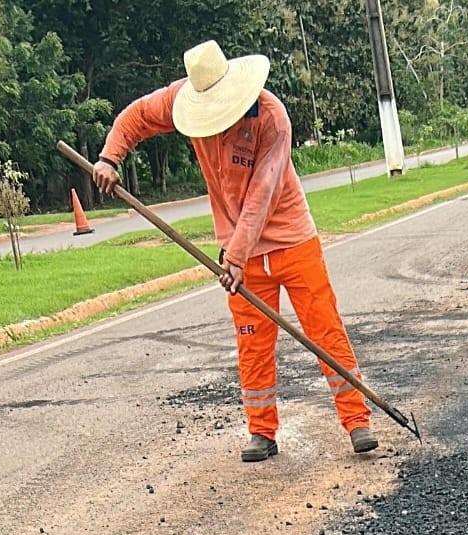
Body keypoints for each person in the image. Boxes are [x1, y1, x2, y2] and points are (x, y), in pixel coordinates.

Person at [93, 40, 376, 463]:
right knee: (252, 341)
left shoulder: (273, 118)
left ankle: (357, 421)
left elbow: (262, 195)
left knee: (325, 330)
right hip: (238, 252)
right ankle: (262, 431)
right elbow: (135, 116)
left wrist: (237, 256)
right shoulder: (181, 98)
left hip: (291, 241)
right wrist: (109, 158)